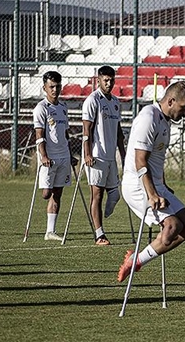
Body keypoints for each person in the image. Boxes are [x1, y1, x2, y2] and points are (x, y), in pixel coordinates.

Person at [117, 80, 185, 282]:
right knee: (172, 227)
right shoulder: (148, 117)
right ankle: (135, 262)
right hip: (137, 185)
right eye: (184, 107)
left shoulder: (164, 120)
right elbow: (140, 160)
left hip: (155, 183)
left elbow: (156, 159)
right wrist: (152, 193)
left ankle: (137, 259)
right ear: (171, 101)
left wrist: (162, 184)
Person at [82, 66, 126, 246]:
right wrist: (87, 153)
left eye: (111, 80)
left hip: (110, 156)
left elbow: (118, 132)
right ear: (98, 80)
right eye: (105, 80)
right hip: (96, 156)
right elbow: (87, 130)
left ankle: (104, 219)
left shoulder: (115, 102)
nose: (109, 83)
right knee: (97, 195)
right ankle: (99, 234)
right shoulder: (92, 100)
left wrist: (123, 155)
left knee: (115, 195)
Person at [33, 71, 76, 241]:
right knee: (46, 194)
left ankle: (50, 231)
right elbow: (39, 134)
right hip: (48, 158)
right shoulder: (41, 108)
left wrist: (71, 154)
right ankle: (48, 228)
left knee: (58, 193)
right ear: (45, 88)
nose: (55, 89)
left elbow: (65, 134)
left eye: (57, 86)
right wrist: (43, 156)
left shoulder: (63, 107)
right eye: (51, 86)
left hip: (63, 156)